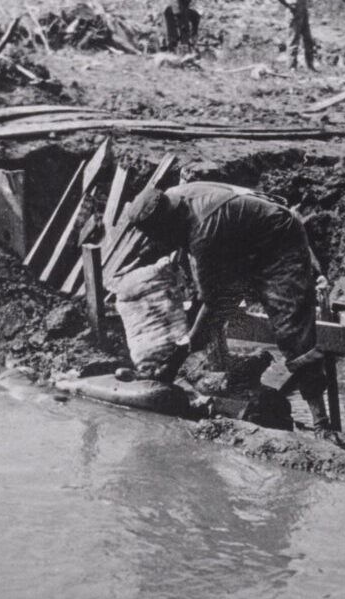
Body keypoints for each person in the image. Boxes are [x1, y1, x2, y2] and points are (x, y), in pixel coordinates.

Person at [125, 182, 332, 432]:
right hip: (242, 244)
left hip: (279, 240)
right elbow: (209, 291)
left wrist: (181, 352)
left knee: (291, 328)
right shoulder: (173, 202)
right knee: (210, 311)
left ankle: (322, 424)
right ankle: (224, 377)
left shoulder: (203, 230)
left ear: (169, 225)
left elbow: (214, 302)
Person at [275, 0, 316, 71]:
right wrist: (288, 5)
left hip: (303, 13)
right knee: (293, 40)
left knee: (308, 40)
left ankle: (310, 66)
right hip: (294, 14)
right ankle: (292, 67)